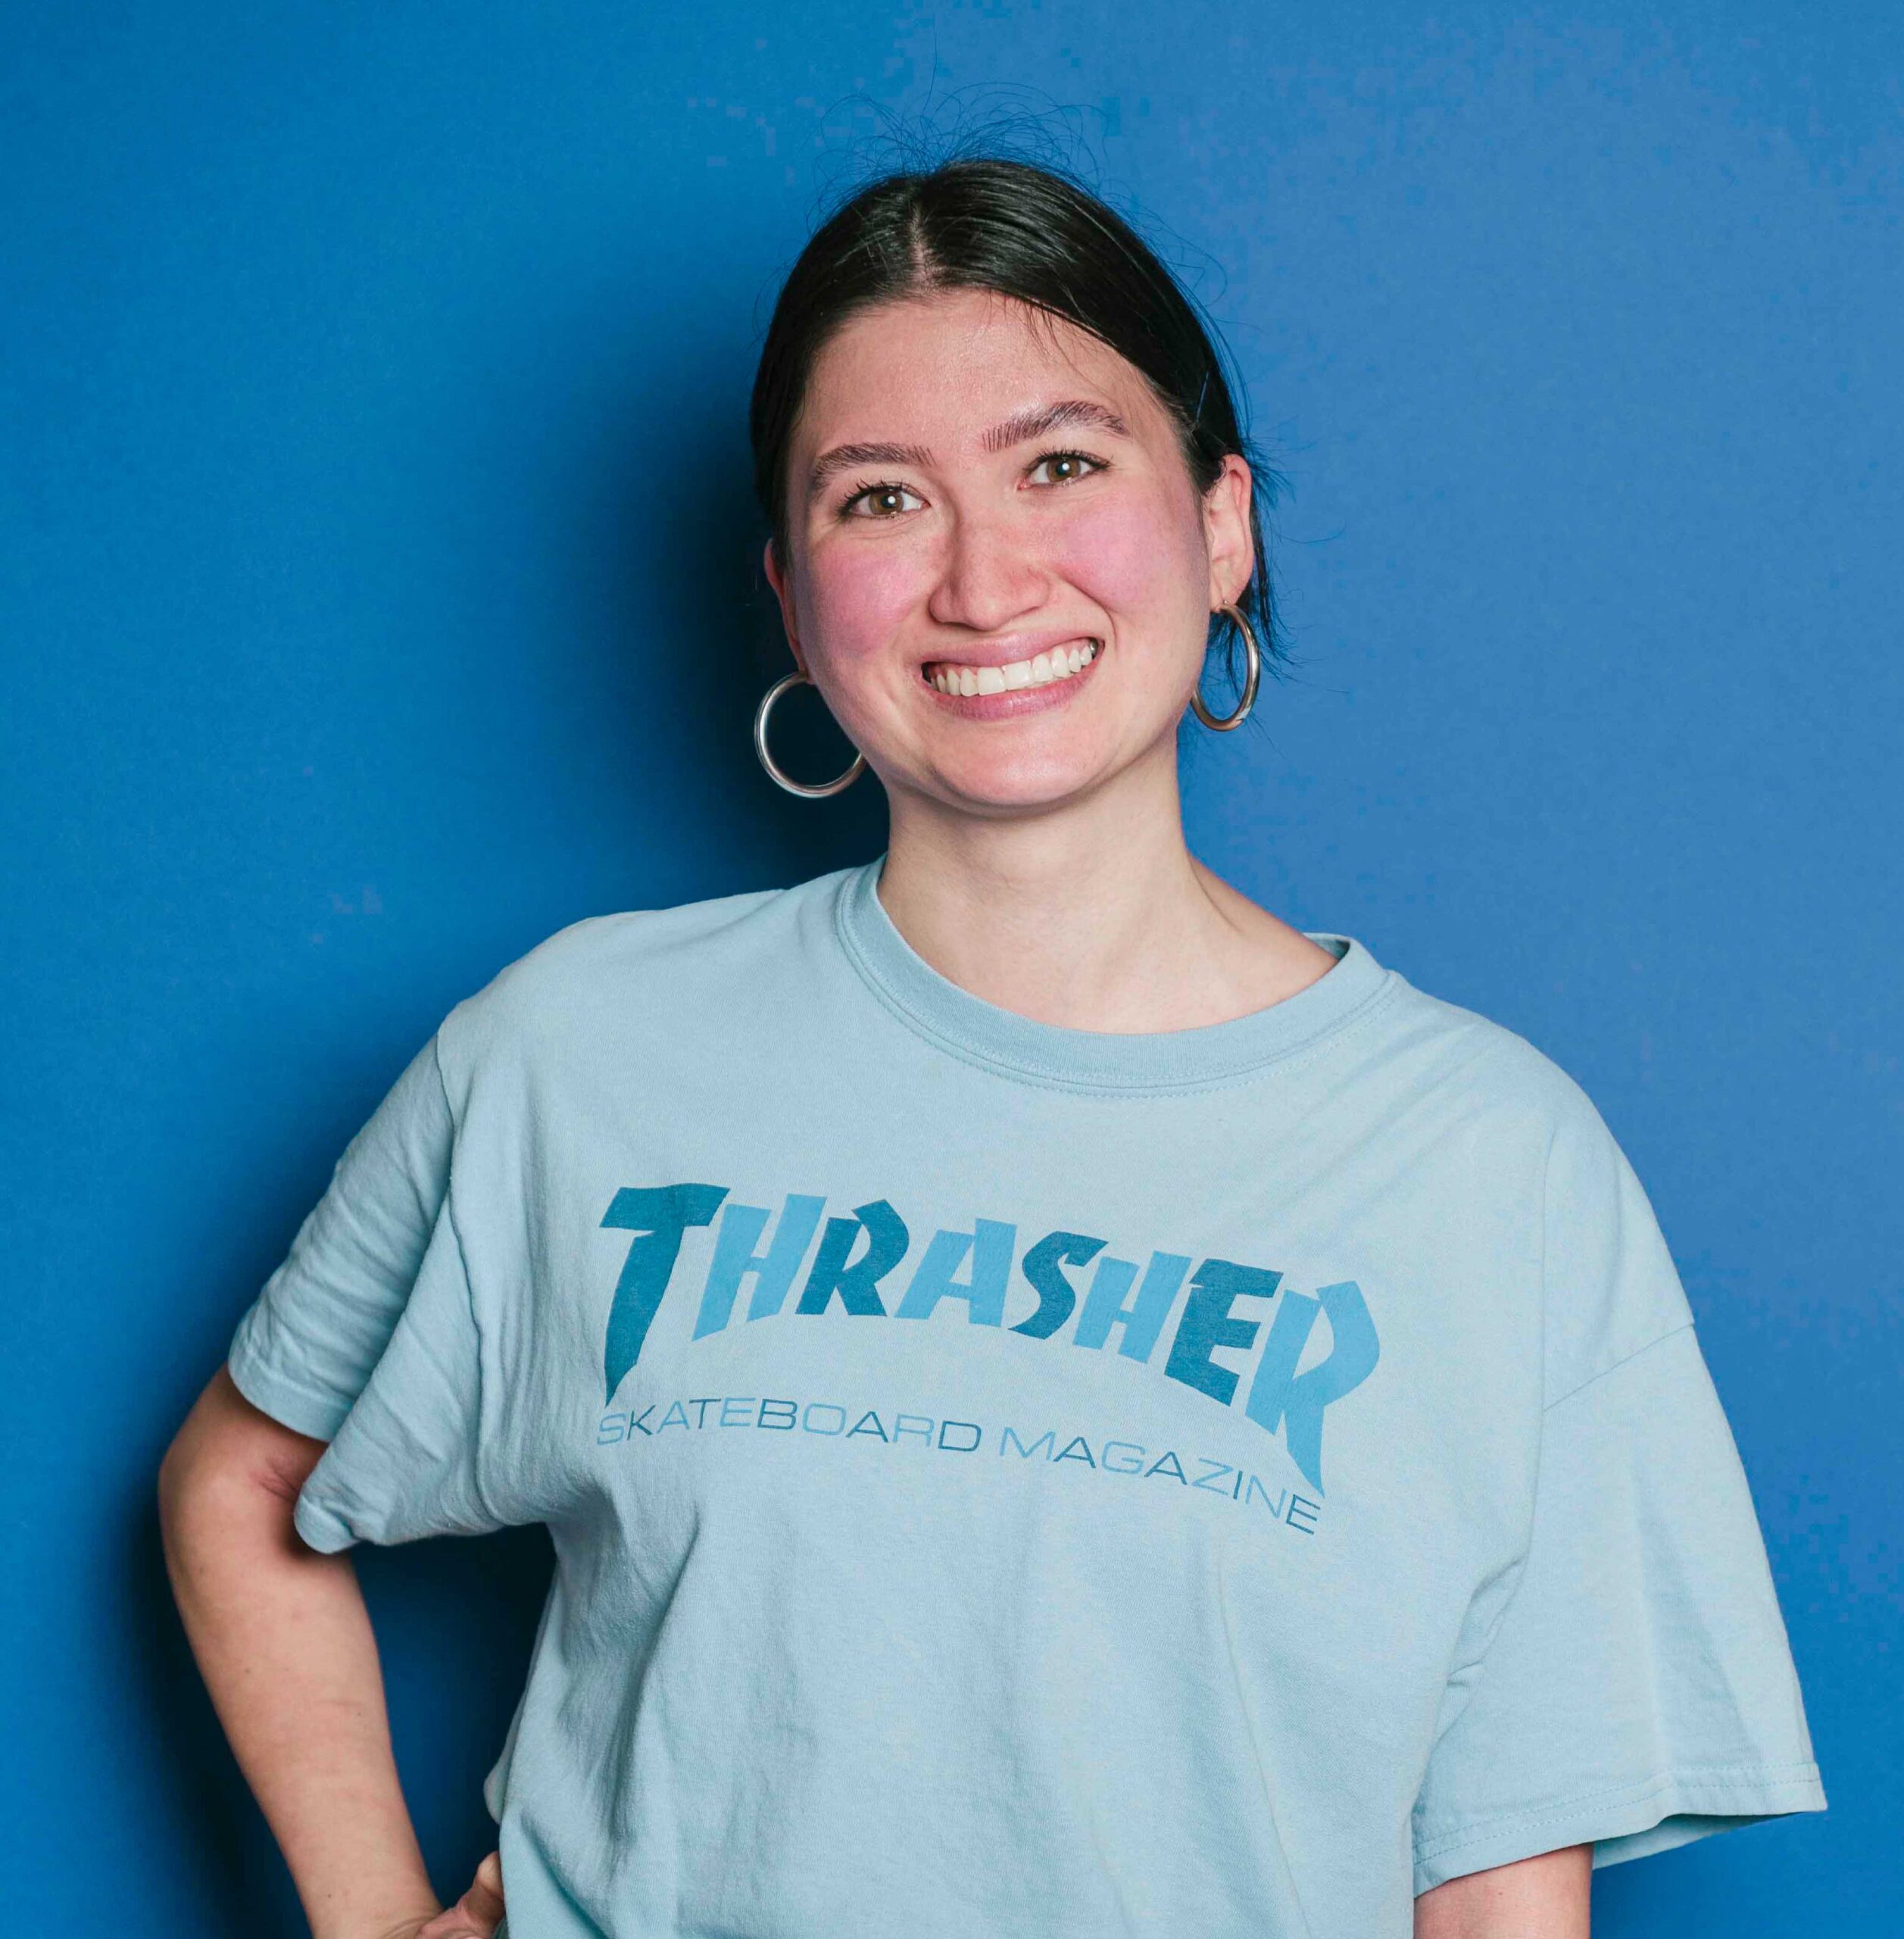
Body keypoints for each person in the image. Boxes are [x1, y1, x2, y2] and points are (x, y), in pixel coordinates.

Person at [158, 154, 1826, 1939]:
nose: (984, 578)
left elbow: (1498, 1878)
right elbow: (237, 1478)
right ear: (794, 593)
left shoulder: (1492, 1161)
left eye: (1062, 464)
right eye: (882, 497)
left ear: (1223, 524)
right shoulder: (577, 1052)